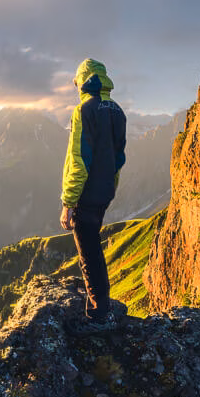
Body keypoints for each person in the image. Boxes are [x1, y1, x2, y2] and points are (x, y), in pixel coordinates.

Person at [59, 58, 127, 323]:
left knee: (88, 253)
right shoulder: (117, 111)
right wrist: (110, 187)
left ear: (84, 81)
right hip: (104, 191)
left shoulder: (84, 111)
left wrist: (68, 202)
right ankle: (99, 303)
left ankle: (98, 314)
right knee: (91, 248)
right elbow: (119, 158)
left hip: (85, 194)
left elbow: (79, 160)